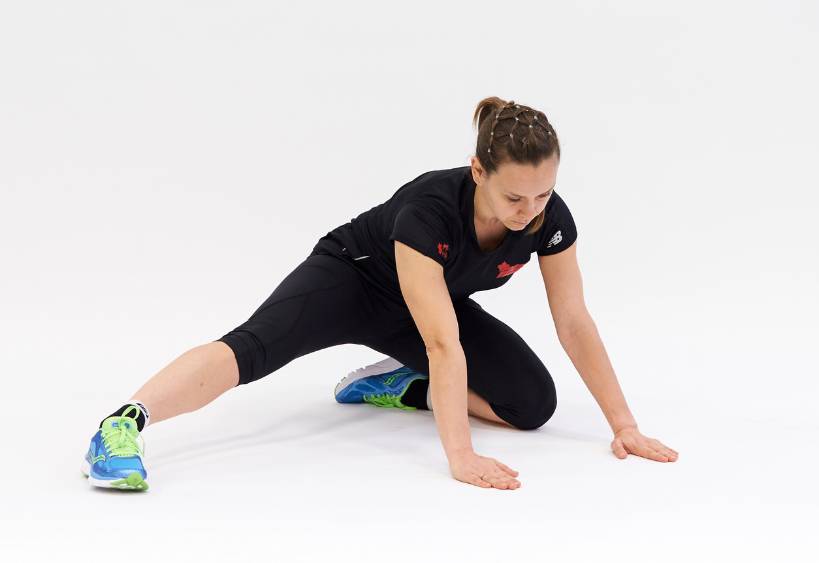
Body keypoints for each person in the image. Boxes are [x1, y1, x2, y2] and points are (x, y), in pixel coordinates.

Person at [81, 96, 679, 492]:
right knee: (253, 349)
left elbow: (572, 319)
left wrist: (623, 425)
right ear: (478, 172)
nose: (528, 213)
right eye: (513, 198)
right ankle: (122, 425)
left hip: (425, 307)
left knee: (532, 406)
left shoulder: (550, 220)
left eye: (543, 195)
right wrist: (460, 457)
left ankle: (397, 386)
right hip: (352, 280)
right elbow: (445, 345)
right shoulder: (430, 210)